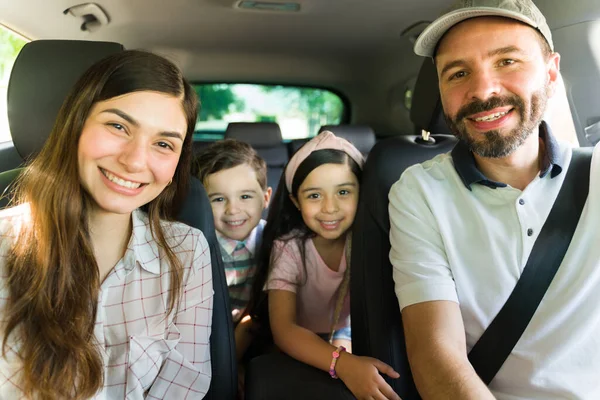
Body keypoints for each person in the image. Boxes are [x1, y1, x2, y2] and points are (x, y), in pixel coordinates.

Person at [389, 0, 600, 399]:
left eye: (507, 62)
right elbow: (436, 352)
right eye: (459, 73)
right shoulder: (419, 192)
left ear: (551, 73)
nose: (482, 90)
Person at [0, 50, 213, 399]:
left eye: (163, 143)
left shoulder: (187, 251)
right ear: (76, 123)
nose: (134, 161)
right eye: (118, 126)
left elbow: (183, 385)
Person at [249, 131, 401, 400]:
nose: (330, 208)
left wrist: (344, 346)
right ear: (295, 201)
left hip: (346, 335)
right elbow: (284, 330)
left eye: (343, 192)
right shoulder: (289, 248)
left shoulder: (371, 244)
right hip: (295, 344)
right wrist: (342, 363)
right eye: (314, 196)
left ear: (362, 193)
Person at [194, 139, 271, 365]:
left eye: (245, 196)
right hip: (206, 337)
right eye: (218, 199)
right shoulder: (198, 247)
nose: (233, 210)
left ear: (266, 198)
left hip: (257, 331)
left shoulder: (274, 241)